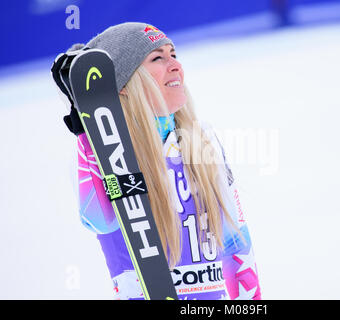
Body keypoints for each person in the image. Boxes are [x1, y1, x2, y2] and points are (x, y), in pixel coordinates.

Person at [70, 22, 261, 300]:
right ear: (124, 84)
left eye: (174, 54)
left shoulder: (202, 140)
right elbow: (99, 220)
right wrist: (89, 130)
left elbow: (237, 244)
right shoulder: (112, 154)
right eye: (157, 58)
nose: (175, 65)